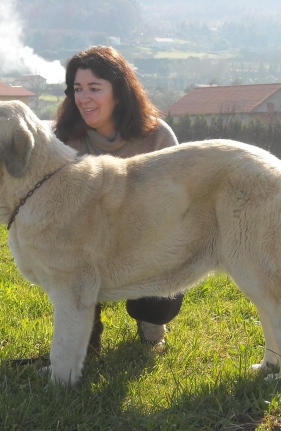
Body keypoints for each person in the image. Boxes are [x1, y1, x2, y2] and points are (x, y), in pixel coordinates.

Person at [53, 46, 184, 353]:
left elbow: (177, 205)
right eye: (77, 89)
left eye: (94, 88)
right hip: (90, 242)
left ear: (119, 92)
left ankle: (151, 321)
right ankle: (86, 334)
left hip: (148, 240)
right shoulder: (64, 141)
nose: (84, 98)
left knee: (156, 306)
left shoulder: (158, 137)